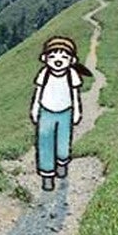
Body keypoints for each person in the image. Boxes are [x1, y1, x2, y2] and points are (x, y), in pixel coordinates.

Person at [29, 35, 90, 191]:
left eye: (64, 56)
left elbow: (75, 95)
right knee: (45, 144)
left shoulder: (72, 75)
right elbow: (38, 92)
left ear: (72, 60)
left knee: (63, 144)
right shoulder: (44, 73)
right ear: (45, 58)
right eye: (53, 56)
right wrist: (35, 109)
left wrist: (77, 112)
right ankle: (47, 175)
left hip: (65, 112)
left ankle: (62, 162)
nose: (58, 60)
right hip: (46, 112)